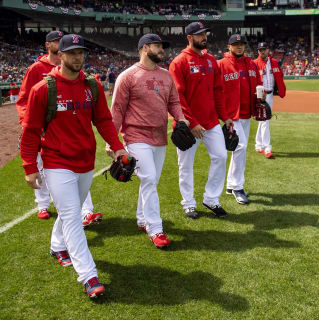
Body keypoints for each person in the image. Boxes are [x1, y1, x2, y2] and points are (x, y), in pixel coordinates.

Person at [20, 34, 129, 298]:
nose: (78, 58)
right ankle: (89, 276)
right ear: (61, 55)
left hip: (85, 161)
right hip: (56, 162)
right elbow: (31, 131)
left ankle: (57, 245)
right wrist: (28, 166)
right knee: (72, 217)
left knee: (72, 210)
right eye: (72, 53)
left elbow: (103, 120)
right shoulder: (44, 88)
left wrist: (118, 148)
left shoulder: (91, 85)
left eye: (81, 53)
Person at [109, 34, 189, 248]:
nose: (162, 49)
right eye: (158, 46)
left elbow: (174, 102)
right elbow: (117, 109)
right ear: (145, 48)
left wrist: (180, 119)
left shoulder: (166, 75)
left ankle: (142, 218)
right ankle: (155, 229)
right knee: (150, 179)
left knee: (150, 181)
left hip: (160, 136)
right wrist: (112, 142)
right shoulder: (128, 76)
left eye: (162, 46)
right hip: (135, 136)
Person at [16, 30, 102, 226]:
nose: (57, 43)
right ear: (48, 45)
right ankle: (43, 204)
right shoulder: (36, 69)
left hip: (67, 131)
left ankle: (86, 211)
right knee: (40, 167)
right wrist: (29, 122)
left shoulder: (76, 72)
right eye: (55, 41)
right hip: (42, 127)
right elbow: (23, 101)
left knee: (75, 173)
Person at [169, 22, 233, 219]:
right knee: (185, 165)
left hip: (211, 121)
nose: (203, 37)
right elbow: (178, 98)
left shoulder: (211, 61)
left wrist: (226, 117)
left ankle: (211, 199)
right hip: (188, 126)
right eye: (199, 35)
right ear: (189, 37)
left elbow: (218, 91)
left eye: (204, 34)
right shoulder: (178, 62)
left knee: (221, 156)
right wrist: (192, 122)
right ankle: (188, 203)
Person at [217, 34, 261, 205]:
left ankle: (229, 184)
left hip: (246, 113)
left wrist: (260, 101)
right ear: (229, 47)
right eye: (235, 45)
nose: (239, 47)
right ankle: (237, 187)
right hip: (231, 115)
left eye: (241, 44)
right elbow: (216, 90)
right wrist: (222, 115)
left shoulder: (251, 64)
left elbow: (257, 85)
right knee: (240, 146)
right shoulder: (221, 64)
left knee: (238, 148)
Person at [253, 42, 286, 159]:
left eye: (264, 49)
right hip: (261, 94)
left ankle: (258, 145)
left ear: (268, 50)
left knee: (263, 120)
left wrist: (279, 90)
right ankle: (267, 147)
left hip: (270, 94)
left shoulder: (274, 63)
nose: (262, 51)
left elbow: (279, 77)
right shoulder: (255, 63)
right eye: (260, 49)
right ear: (258, 51)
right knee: (265, 120)